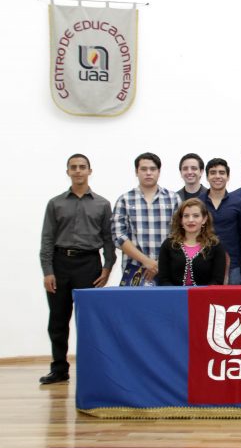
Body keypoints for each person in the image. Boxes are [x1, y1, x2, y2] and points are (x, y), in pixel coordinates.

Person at [39, 154, 116, 385]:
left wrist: (107, 267)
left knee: (90, 321)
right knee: (58, 320)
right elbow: (47, 239)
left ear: (90, 171)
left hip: (89, 265)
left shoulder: (102, 204)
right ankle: (59, 368)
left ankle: (92, 369)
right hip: (61, 265)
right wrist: (47, 271)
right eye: (74, 167)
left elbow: (108, 239)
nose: (78, 171)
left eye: (82, 167)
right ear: (68, 172)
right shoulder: (55, 203)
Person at [112, 152, 181, 284]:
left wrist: (159, 264)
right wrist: (146, 261)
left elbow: (179, 234)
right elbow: (118, 236)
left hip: (167, 268)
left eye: (153, 169)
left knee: (169, 304)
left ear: (159, 172)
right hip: (134, 269)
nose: (148, 173)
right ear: (136, 172)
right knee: (134, 305)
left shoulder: (173, 199)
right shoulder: (124, 200)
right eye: (143, 169)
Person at [156, 198, 226, 286]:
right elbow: (163, 279)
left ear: (204, 219)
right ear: (181, 220)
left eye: (196, 216)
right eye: (186, 216)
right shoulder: (169, 244)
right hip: (173, 297)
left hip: (204, 297)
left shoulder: (215, 245)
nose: (190, 220)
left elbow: (217, 281)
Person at [201, 158, 241, 284]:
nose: (217, 176)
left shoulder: (239, 202)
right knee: (204, 302)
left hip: (233, 266)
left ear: (228, 177)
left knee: (235, 302)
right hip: (204, 263)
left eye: (221, 173)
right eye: (213, 172)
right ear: (207, 176)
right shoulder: (198, 203)